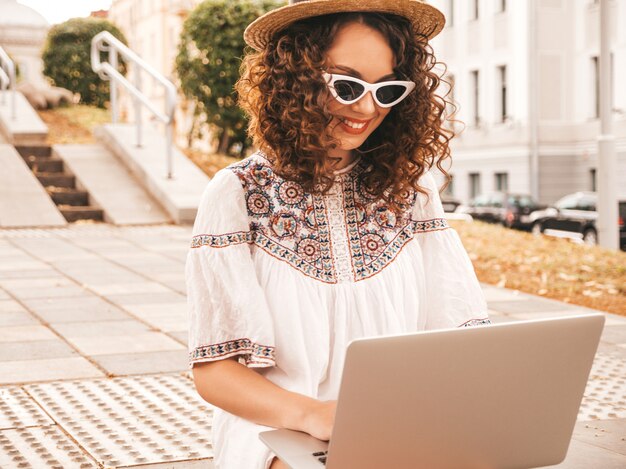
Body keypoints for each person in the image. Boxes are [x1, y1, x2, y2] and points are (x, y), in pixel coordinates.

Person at [186, 1, 490, 468]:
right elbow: (215, 371)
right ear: (295, 80)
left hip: (400, 429)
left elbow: (461, 335)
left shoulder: (412, 190)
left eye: (387, 91)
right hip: (278, 431)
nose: (367, 108)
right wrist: (316, 416)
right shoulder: (237, 193)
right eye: (347, 85)